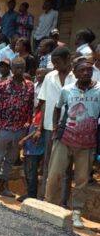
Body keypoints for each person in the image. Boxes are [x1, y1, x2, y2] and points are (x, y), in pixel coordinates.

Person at [45, 58, 99, 228]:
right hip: (65, 138)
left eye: (89, 70)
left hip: (87, 142)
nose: (85, 73)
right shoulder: (67, 90)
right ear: (74, 73)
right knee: (54, 174)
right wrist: (55, 128)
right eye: (82, 70)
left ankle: (76, 213)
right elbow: (57, 107)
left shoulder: (99, 90)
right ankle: (49, 207)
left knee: (82, 179)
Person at [0, 57, 35, 196]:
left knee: (10, 159)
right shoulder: (3, 85)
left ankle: (4, 185)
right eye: (16, 68)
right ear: (12, 69)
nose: (19, 70)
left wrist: (27, 123)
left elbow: (30, 107)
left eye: (22, 67)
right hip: (4, 127)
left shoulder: (29, 86)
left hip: (20, 129)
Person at [35, 46, 76, 199]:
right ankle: (45, 196)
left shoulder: (76, 77)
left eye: (58, 62)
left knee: (66, 167)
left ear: (67, 60)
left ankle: (63, 200)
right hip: (49, 126)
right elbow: (44, 102)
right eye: (53, 63)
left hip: (70, 127)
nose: (56, 66)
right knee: (47, 163)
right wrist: (39, 127)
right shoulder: (49, 77)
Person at [18, 104, 45, 201]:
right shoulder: (36, 111)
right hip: (29, 146)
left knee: (31, 172)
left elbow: (39, 129)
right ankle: (29, 192)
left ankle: (32, 194)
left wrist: (24, 139)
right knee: (27, 171)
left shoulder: (42, 113)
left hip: (35, 146)